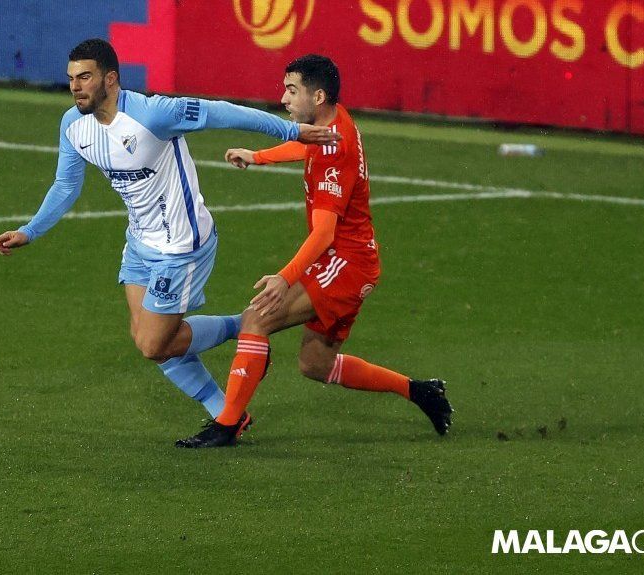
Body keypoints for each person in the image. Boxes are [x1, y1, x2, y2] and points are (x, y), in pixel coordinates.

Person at [0, 39, 340, 422]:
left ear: (110, 79)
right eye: (71, 78)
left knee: (154, 344)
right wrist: (31, 230)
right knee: (152, 343)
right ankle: (227, 411)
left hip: (182, 246)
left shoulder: (153, 114)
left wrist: (290, 132)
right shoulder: (74, 126)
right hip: (139, 243)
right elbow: (65, 186)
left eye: (85, 77)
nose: (76, 86)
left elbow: (219, 113)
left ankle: (244, 327)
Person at [176, 54, 454, 448]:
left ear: (318, 95)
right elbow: (309, 146)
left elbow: (324, 235)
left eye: (292, 91)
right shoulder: (335, 122)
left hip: (345, 263)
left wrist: (283, 278)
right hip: (352, 261)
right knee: (315, 364)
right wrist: (259, 156)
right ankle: (421, 391)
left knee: (257, 317)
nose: (284, 99)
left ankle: (226, 424)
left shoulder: (333, 155)